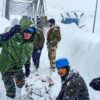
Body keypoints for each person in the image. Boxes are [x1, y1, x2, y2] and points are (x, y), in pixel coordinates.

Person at [0, 17, 36, 99]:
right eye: (26, 31)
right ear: (22, 30)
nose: (28, 34)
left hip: (17, 67)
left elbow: (27, 55)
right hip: (6, 67)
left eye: (30, 32)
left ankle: (19, 95)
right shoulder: (11, 37)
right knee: (11, 91)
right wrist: (6, 35)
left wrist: (27, 67)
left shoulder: (30, 44)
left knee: (21, 82)